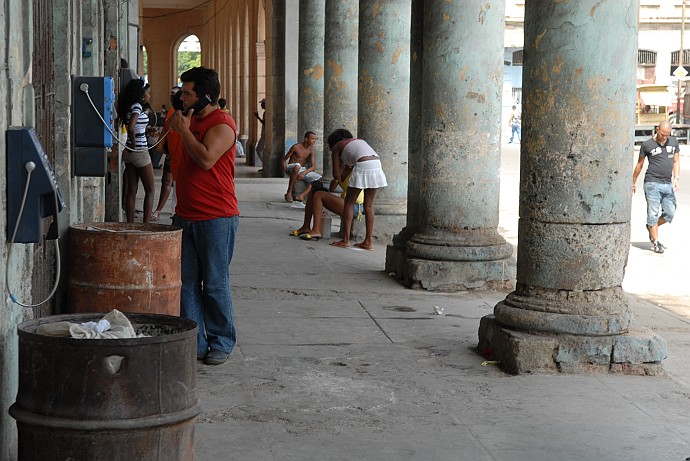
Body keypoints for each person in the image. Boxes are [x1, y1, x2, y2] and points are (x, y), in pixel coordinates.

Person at [170, 66, 239, 366]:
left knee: (214, 283)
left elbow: (206, 159)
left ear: (204, 97)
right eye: (181, 92)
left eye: (187, 93)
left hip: (216, 217)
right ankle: (194, 341)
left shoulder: (222, 124)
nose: (181, 97)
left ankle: (222, 340)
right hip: (185, 214)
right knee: (185, 283)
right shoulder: (185, 119)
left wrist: (184, 130)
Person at [289, 136, 364, 241]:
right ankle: (306, 226)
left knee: (319, 195)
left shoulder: (354, 167)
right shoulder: (344, 167)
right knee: (315, 190)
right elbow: (333, 188)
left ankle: (316, 230)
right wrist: (338, 173)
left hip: (355, 206)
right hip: (346, 202)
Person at [327, 129, 387, 250]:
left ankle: (345, 240)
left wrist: (341, 165)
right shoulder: (358, 141)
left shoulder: (337, 147)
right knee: (369, 205)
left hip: (363, 164)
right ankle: (368, 242)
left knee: (349, 203)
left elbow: (335, 175)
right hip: (376, 163)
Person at [632, 120, 680, 254]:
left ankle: (651, 226)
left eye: (667, 135)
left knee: (670, 213)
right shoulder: (647, 145)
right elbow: (640, 165)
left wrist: (676, 178)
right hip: (652, 183)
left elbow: (676, 161)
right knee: (652, 213)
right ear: (657, 129)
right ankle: (656, 242)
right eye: (662, 134)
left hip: (667, 183)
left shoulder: (673, 142)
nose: (664, 137)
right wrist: (633, 181)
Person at [117, 78, 155, 224]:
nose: (149, 96)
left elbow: (135, 127)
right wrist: (134, 143)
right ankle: (146, 225)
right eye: (147, 94)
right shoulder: (137, 107)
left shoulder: (128, 106)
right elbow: (132, 127)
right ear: (141, 94)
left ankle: (130, 224)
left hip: (128, 153)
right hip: (139, 151)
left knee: (131, 190)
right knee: (150, 190)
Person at [151, 88, 183, 222]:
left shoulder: (171, 117)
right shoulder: (193, 120)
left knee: (167, 184)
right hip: (187, 162)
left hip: (173, 158)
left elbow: (159, 146)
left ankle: (160, 211)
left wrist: (171, 150)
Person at [281, 131, 320, 203]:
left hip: (301, 169)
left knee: (318, 179)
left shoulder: (311, 150)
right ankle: (289, 192)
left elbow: (313, 167)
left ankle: (301, 196)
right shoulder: (296, 147)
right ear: (306, 139)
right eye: (312, 139)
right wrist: (285, 170)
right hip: (292, 166)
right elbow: (284, 160)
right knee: (297, 165)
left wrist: (304, 173)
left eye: (315, 139)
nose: (314, 141)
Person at [254, 98, 265, 169]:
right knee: (260, 150)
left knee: (259, 149)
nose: (261, 105)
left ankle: (265, 164)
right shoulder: (266, 113)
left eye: (262, 103)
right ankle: (265, 165)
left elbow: (265, 123)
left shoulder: (267, 113)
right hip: (264, 134)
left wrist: (258, 117)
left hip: (265, 135)